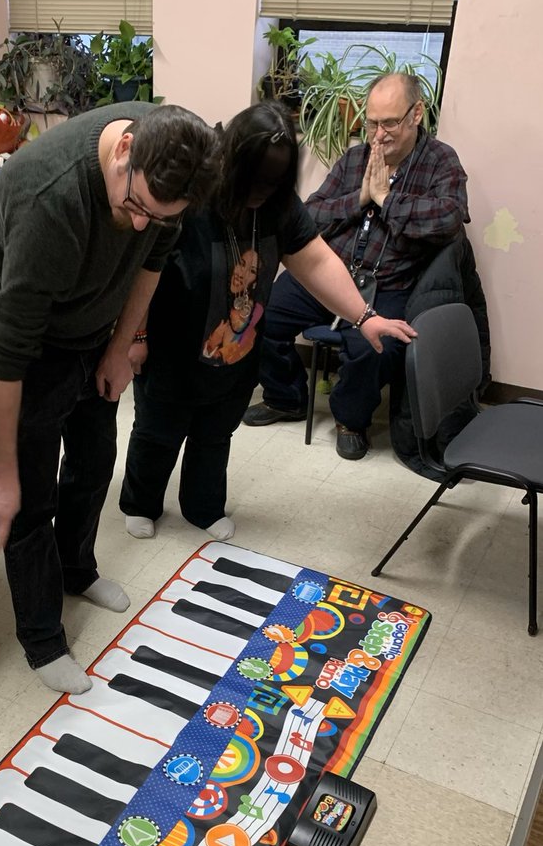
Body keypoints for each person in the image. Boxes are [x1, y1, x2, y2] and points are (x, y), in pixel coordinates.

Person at [0, 102, 219, 695]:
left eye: (155, 216)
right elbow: (7, 351)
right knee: (29, 491)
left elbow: (152, 260)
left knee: (95, 456)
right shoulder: (49, 197)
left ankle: (78, 570)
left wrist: (119, 346)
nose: (137, 224)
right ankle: (42, 638)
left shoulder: (172, 168)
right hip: (25, 333)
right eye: (134, 207)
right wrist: (0, 473)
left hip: (93, 325)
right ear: (124, 149)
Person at [119, 101, 417, 539]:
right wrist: (136, 335)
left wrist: (363, 316)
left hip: (236, 351)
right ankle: (140, 502)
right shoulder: (191, 193)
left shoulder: (279, 204)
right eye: (254, 184)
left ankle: (202, 508)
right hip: (172, 348)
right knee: (158, 431)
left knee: (216, 435)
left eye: (272, 185)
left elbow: (314, 260)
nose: (260, 195)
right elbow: (142, 267)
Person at [243, 72, 470, 459]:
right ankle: (286, 397)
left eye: (389, 123)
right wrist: (361, 197)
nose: (378, 135)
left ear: (417, 114)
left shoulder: (441, 161)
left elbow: (449, 217)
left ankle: (351, 419)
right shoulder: (354, 158)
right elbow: (310, 214)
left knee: (374, 345)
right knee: (259, 313)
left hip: (389, 284)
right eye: (371, 122)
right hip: (332, 272)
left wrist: (387, 200)